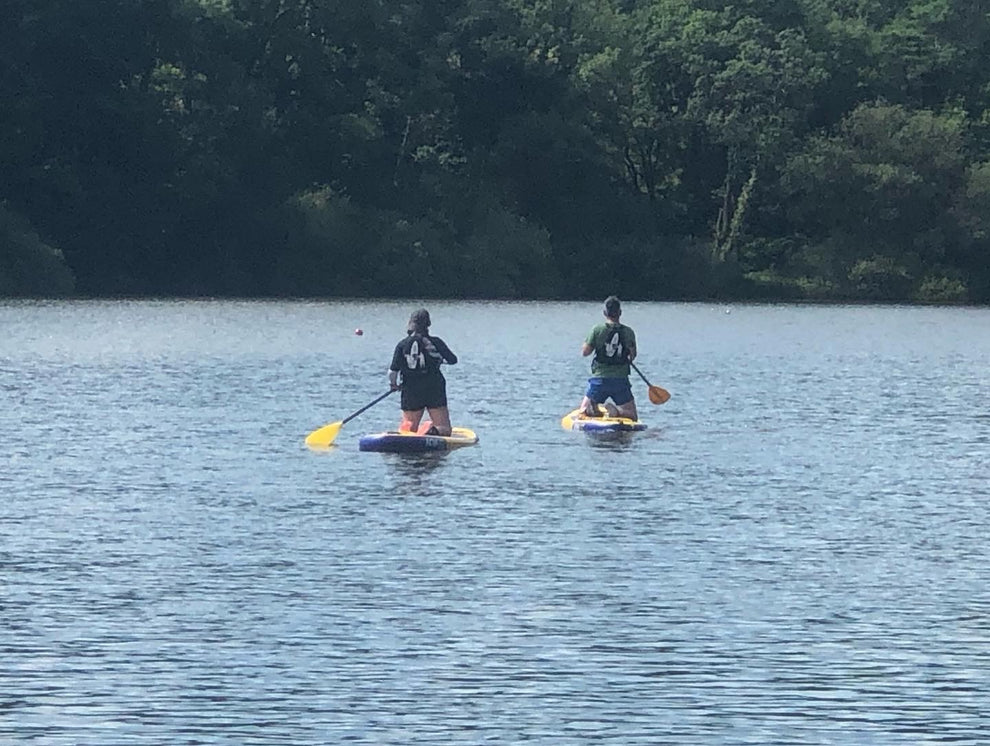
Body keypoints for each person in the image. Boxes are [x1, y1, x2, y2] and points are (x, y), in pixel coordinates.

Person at [388, 308, 458, 435]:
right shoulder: (436, 342)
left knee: (409, 428)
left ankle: (408, 436)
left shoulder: (402, 345)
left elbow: (392, 372)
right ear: (428, 325)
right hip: (434, 386)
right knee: (444, 429)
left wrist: (393, 385)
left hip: (411, 388)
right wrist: (440, 360)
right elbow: (453, 360)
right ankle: (433, 431)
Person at [577, 295, 638, 420]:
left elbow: (585, 352)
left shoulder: (597, 329)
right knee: (632, 416)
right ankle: (619, 412)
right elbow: (632, 356)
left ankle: (591, 409)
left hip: (600, 380)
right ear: (620, 313)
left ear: (605, 312)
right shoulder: (629, 332)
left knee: (581, 413)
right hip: (620, 381)